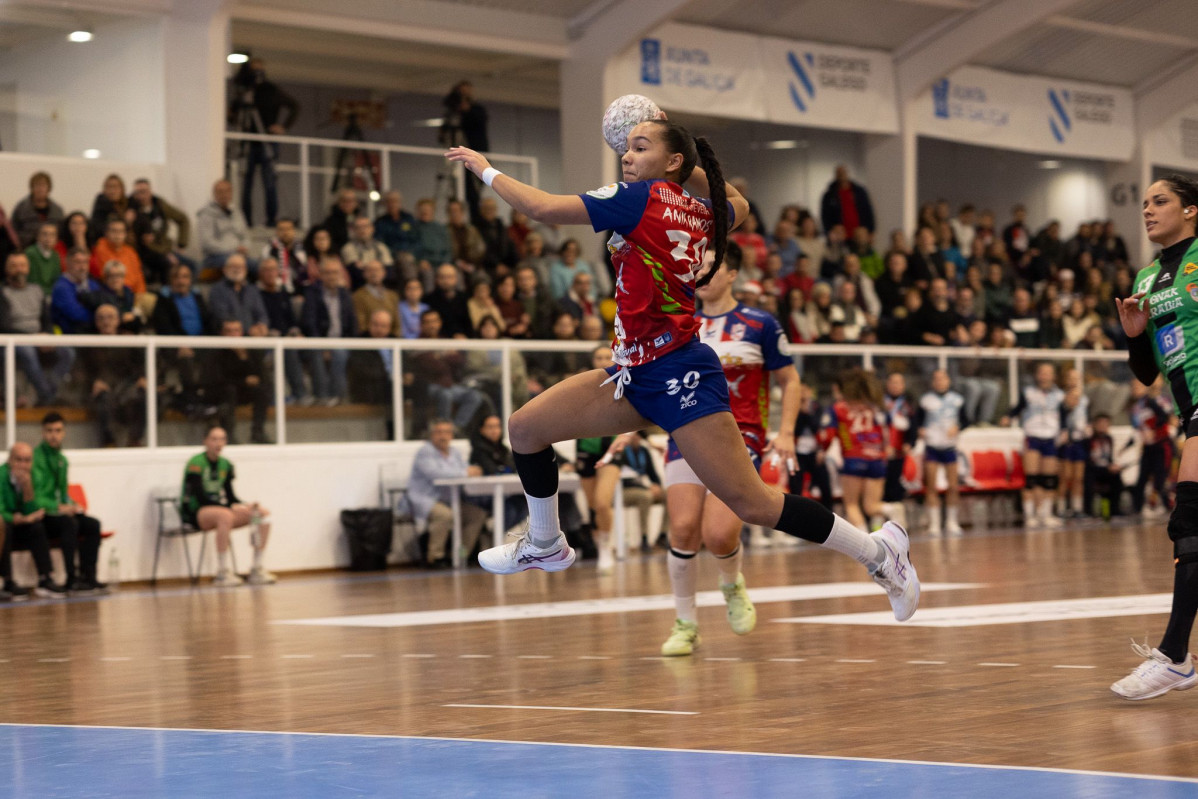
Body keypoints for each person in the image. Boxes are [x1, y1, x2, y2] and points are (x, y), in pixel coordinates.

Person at [446, 122, 919, 625]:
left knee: (753, 504)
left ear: (673, 163)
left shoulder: (638, 199)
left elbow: (541, 208)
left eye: (640, 147)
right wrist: (684, 158)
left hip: (678, 374)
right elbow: (740, 204)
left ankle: (879, 553)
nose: (626, 156)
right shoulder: (704, 211)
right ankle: (544, 542)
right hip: (632, 373)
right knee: (525, 427)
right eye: (626, 147)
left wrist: (485, 168)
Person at [658, 243, 799, 656]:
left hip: (742, 437)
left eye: (709, 267)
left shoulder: (760, 324)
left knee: (719, 534)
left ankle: (732, 584)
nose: (699, 274)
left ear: (732, 273)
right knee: (683, 527)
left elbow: (790, 381)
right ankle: (685, 623)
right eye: (695, 267)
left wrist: (785, 431)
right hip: (685, 431)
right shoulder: (681, 323)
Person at [1106, 174, 1198, 699]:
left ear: (1191, 210)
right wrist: (1135, 337)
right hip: (1189, 410)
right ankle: (1178, 658)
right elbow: (1146, 374)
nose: (1147, 210)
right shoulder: (1145, 278)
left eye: (1160, 201)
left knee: (1189, 521)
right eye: (1143, 203)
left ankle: (1175, 656)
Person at [181, 426, 276, 587]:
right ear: (205, 441)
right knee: (224, 516)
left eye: (222, 439)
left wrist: (245, 505)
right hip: (195, 512)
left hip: (219, 508)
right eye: (214, 439)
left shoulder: (225, 465)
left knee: (261, 513)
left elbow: (230, 496)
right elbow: (200, 497)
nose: (218, 443)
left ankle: (257, 567)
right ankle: (222, 571)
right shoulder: (196, 463)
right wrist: (228, 507)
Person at [33, 412, 107, 592]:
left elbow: (62, 492)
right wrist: (58, 507)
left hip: (58, 513)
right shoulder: (36, 458)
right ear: (43, 433)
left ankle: (88, 576)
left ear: (63, 433)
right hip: (43, 515)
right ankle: (70, 579)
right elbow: (36, 496)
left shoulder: (62, 460)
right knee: (69, 523)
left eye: (58, 430)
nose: (54, 435)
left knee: (92, 524)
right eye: (49, 431)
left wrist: (73, 505)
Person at [405, 417, 488, 568]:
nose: (443, 436)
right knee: (445, 515)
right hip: (425, 499)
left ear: (452, 435)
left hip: (451, 500)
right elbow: (437, 473)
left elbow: (464, 469)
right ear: (431, 435)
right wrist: (466, 472)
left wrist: (472, 471)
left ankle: (459, 555)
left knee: (476, 515)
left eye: (447, 432)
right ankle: (435, 557)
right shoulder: (425, 452)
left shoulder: (454, 452)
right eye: (439, 432)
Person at [229, 57, 298, 228]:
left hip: (267, 140)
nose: (256, 73)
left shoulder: (271, 90)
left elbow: (295, 106)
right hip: (248, 142)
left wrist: (283, 126)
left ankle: (271, 220)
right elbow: (233, 117)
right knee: (247, 184)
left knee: (269, 182)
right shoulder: (244, 92)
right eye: (253, 70)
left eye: (259, 69)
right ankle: (246, 221)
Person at [820, 368, 890, 533]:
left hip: (853, 458)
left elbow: (827, 435)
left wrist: (823, 449)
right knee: (872, 506)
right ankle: (889, 513)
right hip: (876, 458)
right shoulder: (873, 408)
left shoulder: (839, 408)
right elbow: (885, 432)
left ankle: (866, 542)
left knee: (851, 504)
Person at [1, 252, 74, 406]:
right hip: (13, 340)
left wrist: (48, 335)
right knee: (27, 351)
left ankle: (48, 389)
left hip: (39, 337)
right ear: (6, 270)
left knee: (68, 352)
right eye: (14, 266)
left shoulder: (37, 290)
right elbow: (4, 326)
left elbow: (47, 319)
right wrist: (34, 337)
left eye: (22, 265)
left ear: (28, 268)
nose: (19, 269)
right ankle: (47, 396)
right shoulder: (3, 292)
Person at [1001, 362, 1064, 529]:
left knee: (1049, 479)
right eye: (1042, 372)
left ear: (1053, 376)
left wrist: (1065, 430)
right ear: (1037, 375)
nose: (1044, 376)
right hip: (1033, 436)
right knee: (1031, 479)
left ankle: (1046, 514)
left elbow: (1063, 415)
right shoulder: (1028, 393)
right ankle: (1031, 515)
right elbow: (1016, 409)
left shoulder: (1059, 395)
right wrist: (1007, 417)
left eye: (1048, 373)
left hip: (1050, 437)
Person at [0, 442, 65, 598]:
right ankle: (7, 581)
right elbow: (0, 509)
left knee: (37, 527)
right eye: (19, 460)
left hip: (22, 524)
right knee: (4, 527)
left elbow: (33, 510)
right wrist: (18, 518)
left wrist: (27, 487)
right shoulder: (1, 476)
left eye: (27, 460)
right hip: (7, 524)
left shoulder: (33, 476)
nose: (23, 465)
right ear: (10, 460)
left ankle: (46, 578)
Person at [80, 305, 147, 447]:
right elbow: (81, 371)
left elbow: (141, 364)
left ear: (118, 321)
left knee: (145, 394)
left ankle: (134, 440)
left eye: (110, 317)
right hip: (103, 391)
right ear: (96, 323)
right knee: (103, 399)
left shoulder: (129, 340)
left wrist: (142, 378)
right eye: (101, 318)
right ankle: (108, 442)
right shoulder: (89, 344)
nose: (106, 322)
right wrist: (94, 382)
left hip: (127, 388)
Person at [916, 370, 969, 537]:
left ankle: (952, 521)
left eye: (943, 379)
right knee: (931, 486)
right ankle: (934, 523)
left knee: (953, 486)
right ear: (933, 382)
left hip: (949, 446)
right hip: (932, 446)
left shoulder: (957, 400)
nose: (940, 382)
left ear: (948, 381)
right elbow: (917, 421)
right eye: (936, 379)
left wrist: (958, 427)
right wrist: (920, 430)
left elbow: (966, 419)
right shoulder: (926, 400)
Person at [301, 258, 358, 406]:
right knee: (318, 352)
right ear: (320, 274)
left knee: (340, 352)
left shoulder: (345, 294)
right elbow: (309, 322)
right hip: (320, 340)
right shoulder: (312, 293)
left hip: (342, 341)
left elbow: (352, 322)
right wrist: (323, 344)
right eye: (327, 273)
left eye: (335, 273)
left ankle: (337, 395)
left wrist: (354, 343)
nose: (332, 276)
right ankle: (323, 395)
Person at [469, 414, 529, 534]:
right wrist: (504, 469)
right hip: (484, 494)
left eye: (497, 426)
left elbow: (512, 467)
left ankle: (493, 534)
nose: (494, 430)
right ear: (481, 430)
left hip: (504, 492)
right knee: (510, 510)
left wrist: (504, 469)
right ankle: (492, 537)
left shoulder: (503, 449)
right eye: (490, 427)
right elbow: (493, 471)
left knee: (524, 504)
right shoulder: (478, 449)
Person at [128, 177, 192, 287]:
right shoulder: (132, 210)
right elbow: (145, 242)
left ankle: (187, 298)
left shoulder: (160, 205)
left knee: (191, 265)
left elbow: (183, 219)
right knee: (167, 265)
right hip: (148, 252)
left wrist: (182, 244)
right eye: (138, 193)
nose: (141, 196)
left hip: (165, 248)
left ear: (150, 192)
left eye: (144, 192)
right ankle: (167, 298)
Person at [440, 80, 489, 222]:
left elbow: (479, 122)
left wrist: (467, 108)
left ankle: (474, 218)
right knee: (458, 189)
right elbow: (445, 129)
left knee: (473, 192)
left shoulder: (477, 110)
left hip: (476, 152)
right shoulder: (453, 111)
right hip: (459, 156)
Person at [1129, 377, 1175, 519]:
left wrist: (1156, 430)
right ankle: (1139, 508)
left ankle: (1163, 505)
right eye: (1133, 387)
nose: (1135, 390)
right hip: (1148, 447)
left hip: (1162, 445)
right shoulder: (1135, 407)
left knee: (1160, 477)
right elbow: (1138, 427)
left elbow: (1165, 417)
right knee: (1142, 477)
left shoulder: (1153, 401)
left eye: (1138, 386)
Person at [196, 179, 252, 277]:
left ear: (231, 193)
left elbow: (246, 236)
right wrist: (234, 250)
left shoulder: (237, 213)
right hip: (215, 257)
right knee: (238, 264)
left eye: (227, 191)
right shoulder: (206, 214)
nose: (224, 195)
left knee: (259, 265)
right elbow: (207, 243)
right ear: (214, 194)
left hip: (238, 255)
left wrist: (245, 247)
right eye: (220, 192)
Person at [207, 253, 269, 336]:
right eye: (233, 266)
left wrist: (261, 325)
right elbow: (221, 316)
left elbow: (261, 314)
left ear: (246, 270)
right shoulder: (217, 290)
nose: (237, 270)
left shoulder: (252, 290)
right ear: (225, 269)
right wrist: (248, 330)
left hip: (254, 337)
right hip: (230, 337)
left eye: (240, 267)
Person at [1057, 371, 1091, 519]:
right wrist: (1068, 406)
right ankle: (1061, 508)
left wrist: (1088, 427)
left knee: (1078, 477)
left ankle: (1077, 508)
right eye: (1071, 378)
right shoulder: (1060, 397)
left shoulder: (1084, 399)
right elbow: (1060, 416)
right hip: (1067, 441)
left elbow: (1085, 416)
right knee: (1065, 476)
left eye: (1076, 378)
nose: (1073, 381)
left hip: (1079, 440)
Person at [51, 247, 102, 335]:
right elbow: (76, 315)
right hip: (69, 336)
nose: (82, 267)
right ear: (67, 263)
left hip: (93, 334)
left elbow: (104, 305)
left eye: (85, 262)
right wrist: (100, 317)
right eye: (77, 262)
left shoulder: (93, 284)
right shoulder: (61, 287)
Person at [89, 218, 146, 295]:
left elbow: (139, 277)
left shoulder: (131, 252)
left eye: (121, 231)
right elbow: (106, 276)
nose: (118, 235)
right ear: (106, 233)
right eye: (114, 231)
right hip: (112, 293)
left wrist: (141, 294)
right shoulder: (100, 248)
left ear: (125, 234)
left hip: (134, 293)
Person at [1084, 413, 1124, 520]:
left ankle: (1114, 511)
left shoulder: (1109, 439)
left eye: (1106, 424)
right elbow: (1088, 460)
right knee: (1089, 477)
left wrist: (1113, 465)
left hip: (1106, 469)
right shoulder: (1089, 439)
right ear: (1095, 425)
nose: (1103, 426)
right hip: (1093, 469)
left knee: (1117, 477)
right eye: (1101, 423)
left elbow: (1109, 458)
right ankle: (1088, 512)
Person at [12, 171, 64, 249]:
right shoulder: (21, 208)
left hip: (51, 249)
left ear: (49, 188)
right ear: (32, 188)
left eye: (43, 185)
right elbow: (14, 230)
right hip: (26, 248)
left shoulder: (57, 211)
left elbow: (61, 232)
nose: (40, 189)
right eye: (37, 185)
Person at [819, 164, 875, 238]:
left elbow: (868, 211)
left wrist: (871, 231)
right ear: (836, 175)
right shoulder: (829, 195)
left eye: (843, 172)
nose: (841, 175)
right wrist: (829, 231)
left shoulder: (859, 192)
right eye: (839, 173)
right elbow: (825, 216)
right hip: (840, 236)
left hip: (859, 235)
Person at [24, 222, 61, 295]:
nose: (48, 238)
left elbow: (56, 279)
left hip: (51, 294)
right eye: (44, 234)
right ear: (37, 236)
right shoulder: (30, 253)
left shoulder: (55, 255)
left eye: (52, 235)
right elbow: (32, 282)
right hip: (34, 294)